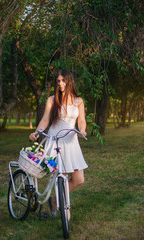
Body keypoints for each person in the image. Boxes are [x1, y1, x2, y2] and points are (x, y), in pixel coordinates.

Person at [29, 69, 88, 220]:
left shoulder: (78, 101)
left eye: (63, 80)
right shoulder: (52, 100)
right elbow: (45, 120)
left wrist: (82, 130)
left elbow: (81, 120)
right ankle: (65, 209)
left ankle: (54, 200)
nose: (60, 84)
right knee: (60, 177)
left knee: (79, 179)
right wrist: (37, 132)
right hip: (54, 142)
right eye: (58, 81)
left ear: (69, 81)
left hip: (71, 142)